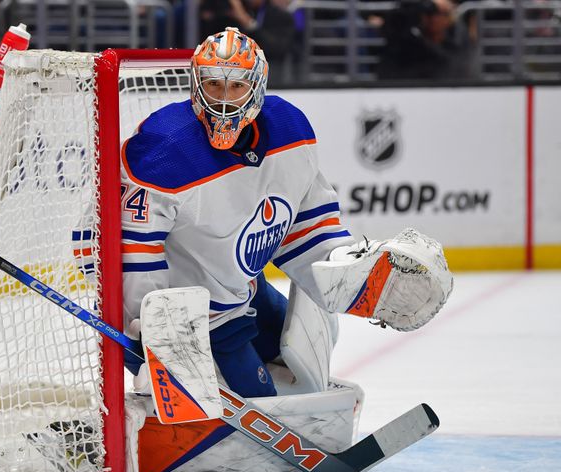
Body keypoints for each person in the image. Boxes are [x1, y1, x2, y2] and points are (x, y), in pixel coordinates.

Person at [117, 27, 452, 399]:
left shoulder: (289, 130)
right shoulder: (163, 152)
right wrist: (153, 337)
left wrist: (351, 275)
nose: (224, 101)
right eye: (213, 85)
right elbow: (132, 252)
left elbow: (307, 228)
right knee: (262, 404)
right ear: (196, 85)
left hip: (242, 289)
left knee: (307, 358)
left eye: (236, 87)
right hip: (188, 318)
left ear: (257, 88)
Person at [377, 0, 473, 80]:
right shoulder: (410, 43)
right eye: (426, 14)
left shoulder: (453, 45)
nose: (429, 19)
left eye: (434, 14)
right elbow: (392, 29)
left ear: (447, 19)